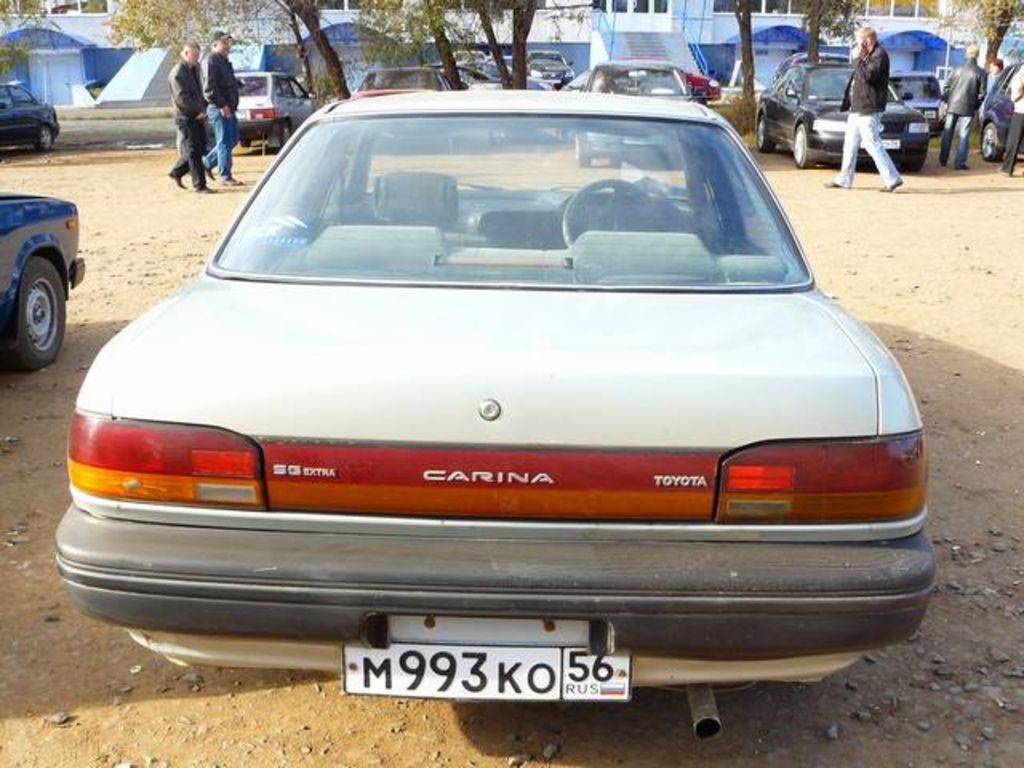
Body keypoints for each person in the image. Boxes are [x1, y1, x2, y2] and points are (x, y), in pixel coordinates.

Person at [825, 27, 903, 193]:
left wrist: (857, 59)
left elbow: (869, 76)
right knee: (850, 143)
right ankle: (845, 179)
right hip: (858, 107)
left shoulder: (879, 55)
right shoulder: (868, 55)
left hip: (869, 107)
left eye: (859, 41)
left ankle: (892, 178)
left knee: (872, 143)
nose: (858, 44)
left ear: (868, 40)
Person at [168, 42, 214, 194]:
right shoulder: (178, 72)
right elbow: (182, 99)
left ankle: (177, 171)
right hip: (186, 117)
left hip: (197, 115)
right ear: (185, 53)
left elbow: (199, 94)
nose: (197, 58)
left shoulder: (193, 69)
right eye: (194, 55)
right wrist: (197, 112)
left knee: (199, 148)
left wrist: (203, 110)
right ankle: (199, 185)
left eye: (198, 55)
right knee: (194, 150)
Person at [202, 31, 243, 187]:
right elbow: (209, 89)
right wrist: (222, 105)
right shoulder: (211, 61)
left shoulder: (224, 61)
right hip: (219, 108)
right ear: (214, 45)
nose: (227, 46)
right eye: (224, 43)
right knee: (225, 141)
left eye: (228, 43)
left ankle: (206, 162)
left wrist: (237, 85)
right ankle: (225, 176)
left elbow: (226, 82)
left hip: (229, 107)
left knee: (233, 139)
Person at [939, 44, 986, 170]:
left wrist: (948, 100)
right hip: (968, 107)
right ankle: (960, 162)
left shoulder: (956, 69)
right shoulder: (980, 72)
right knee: (964, 135)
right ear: (977, 55)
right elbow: (982, 94)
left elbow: (946, 87)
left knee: (948, 132)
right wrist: (975, 106)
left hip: (953, 105)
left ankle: (943, 159)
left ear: (966, 54)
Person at [1001, 63, 1024, 177]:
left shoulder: (1021, 72)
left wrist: (1016, 98)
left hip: (1021, 110)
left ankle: (1007, 168)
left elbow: (1016, 88)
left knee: (1014, 141)